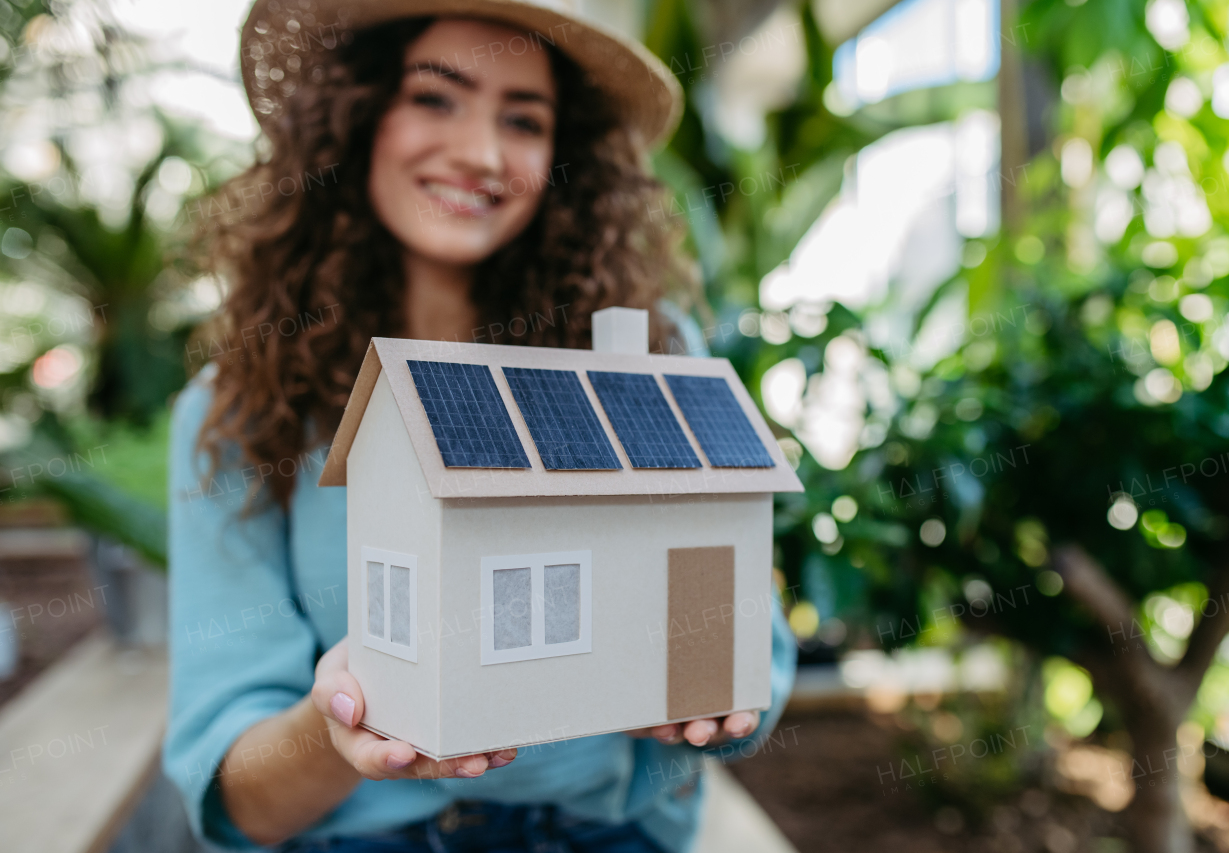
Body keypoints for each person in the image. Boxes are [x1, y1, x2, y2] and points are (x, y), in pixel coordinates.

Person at [163, 2, 797, 851]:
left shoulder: (647, 360)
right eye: (435, 97)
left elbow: (755, 659)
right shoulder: (237, 408)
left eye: (524, 120)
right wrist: (348, 721)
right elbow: (240, 805)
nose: (482, 153)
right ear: (357, 116)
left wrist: (702, 700)